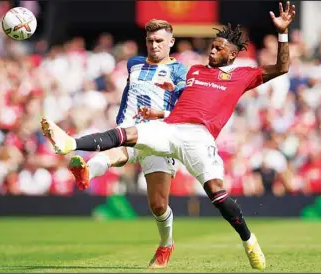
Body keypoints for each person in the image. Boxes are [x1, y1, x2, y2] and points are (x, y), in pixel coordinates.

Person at [41, 2, 296, 270]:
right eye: (212, 45)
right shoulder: (195, 71)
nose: (212, 49)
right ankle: (70, 143)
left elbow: (282, 66)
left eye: (219, 47)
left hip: (199, 137)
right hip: (170, 127)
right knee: (127, 133)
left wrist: (282, 33)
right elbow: (186, 104)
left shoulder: (243, 75)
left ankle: (248, 239)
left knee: (216, 194)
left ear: (232, 55)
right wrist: (159, 113)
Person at [67, 19, 188, 269]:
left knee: (158, 205)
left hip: (160, 137)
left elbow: (185, 104)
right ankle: (87, 171)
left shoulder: (179, 70)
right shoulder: (134, 64)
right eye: (150, 41)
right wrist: (122, 119)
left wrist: (166, 104)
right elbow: (127, 95)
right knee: (114, 154)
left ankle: (166, 243)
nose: (154, 46)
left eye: (160, 41)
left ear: (171, 42)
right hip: (131, 130)